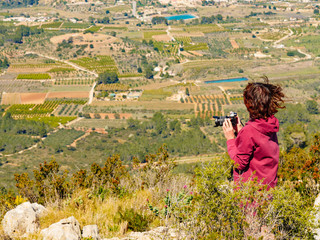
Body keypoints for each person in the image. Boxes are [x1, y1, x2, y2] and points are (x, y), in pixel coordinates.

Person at [223, 79, 285, 189]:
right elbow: (258, 148)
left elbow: (239, 163)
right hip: (268, 190)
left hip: (251, 194)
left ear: (249, 104)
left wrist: (230, 139)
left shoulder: (250, 131)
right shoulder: (270, 124)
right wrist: (241, 131)